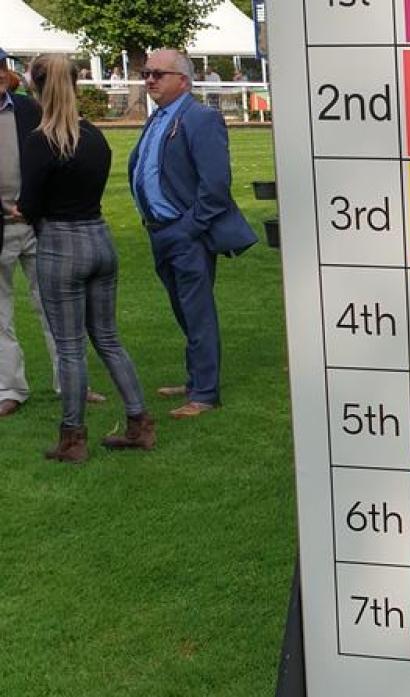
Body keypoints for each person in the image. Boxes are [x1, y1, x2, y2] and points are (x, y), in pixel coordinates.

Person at [15, 54, 154, 462]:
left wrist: (21, 210)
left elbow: (31, 204)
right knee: (108, 338)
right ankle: (139, 422)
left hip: (61, 245)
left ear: (37, 87)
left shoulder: (40, 141)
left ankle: (72, 438)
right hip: (100, 238)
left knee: (70, 347)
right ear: (76, 83)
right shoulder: (95, 137)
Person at [129, 49, 257, 419]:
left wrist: (189, 228)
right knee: (184, 310)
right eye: (146, 73)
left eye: (158, 74)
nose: (149, 79)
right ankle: (195, 380)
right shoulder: (159, 118)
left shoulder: (200, 118)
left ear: (183, 81)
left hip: (184, 233)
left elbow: (215, 185)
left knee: (197, 312)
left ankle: (204, 393)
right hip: (160, 232)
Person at [0, 48, 61, 418]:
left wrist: (37, 205)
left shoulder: (29, 109)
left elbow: (52, 160)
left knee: (54, 306)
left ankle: (70, 383)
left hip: (38, 224)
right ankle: (9, 389)